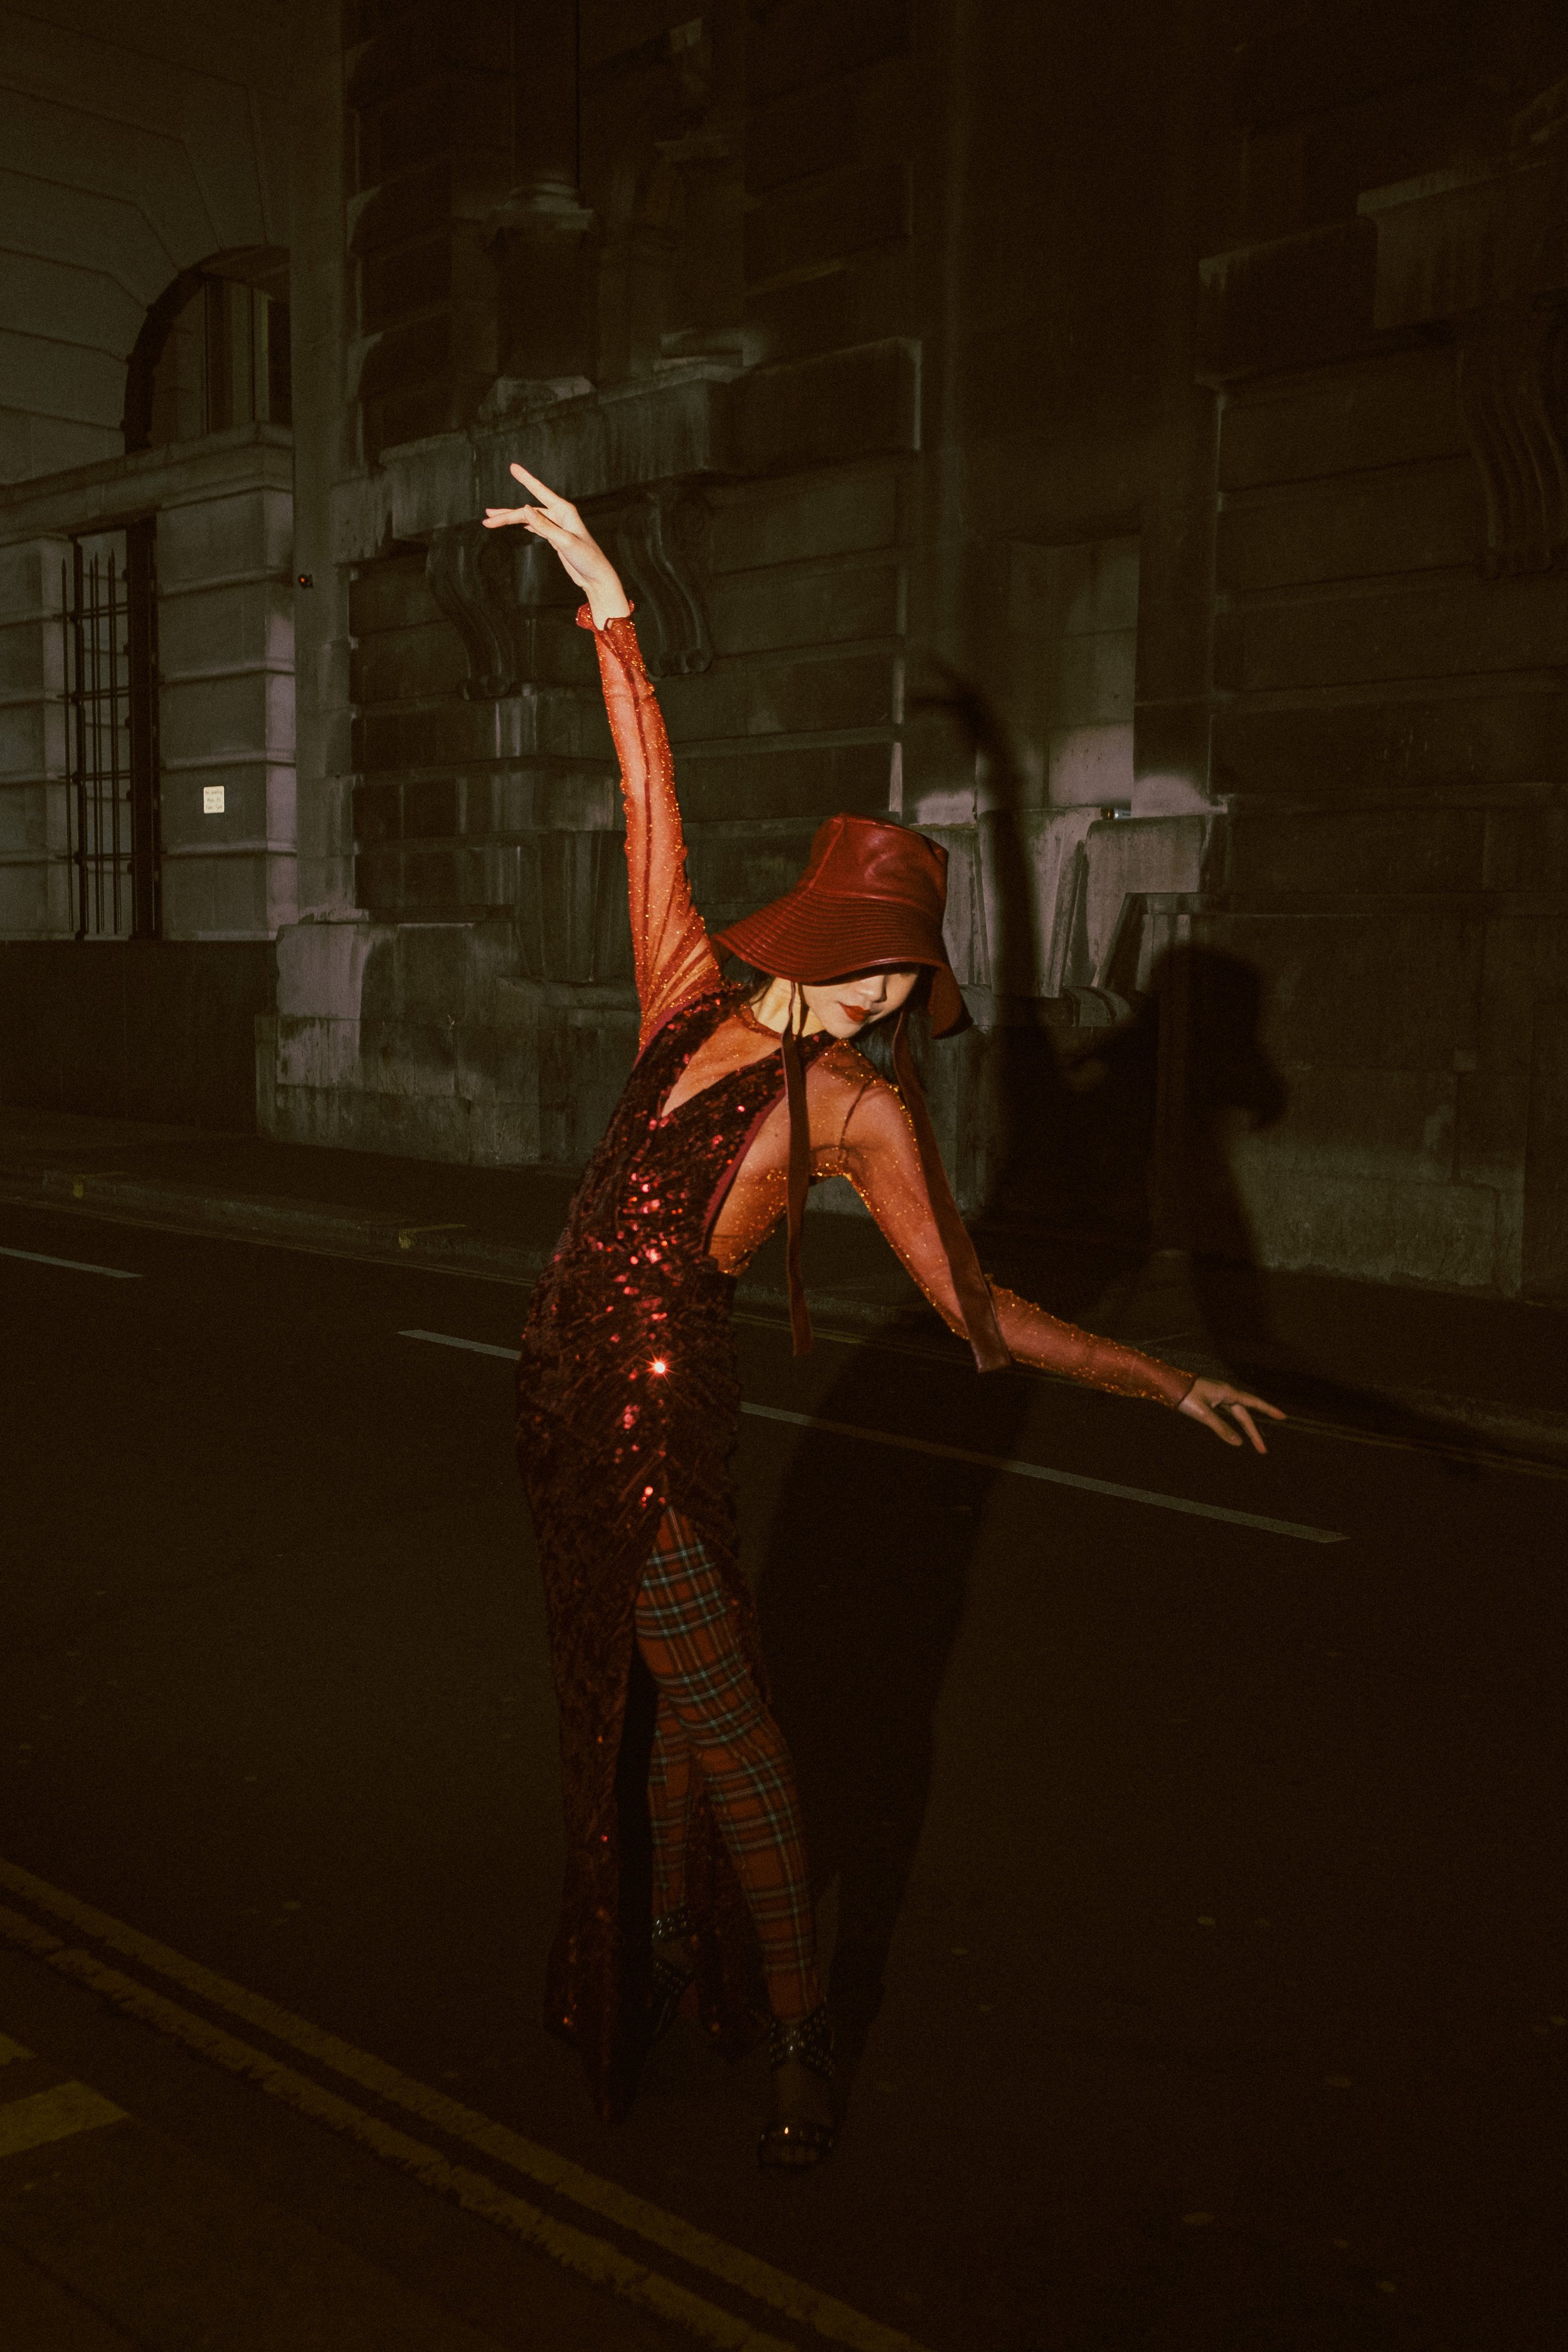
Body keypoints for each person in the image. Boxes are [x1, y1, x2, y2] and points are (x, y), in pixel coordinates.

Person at [482, 465, 1282, 2168]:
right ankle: (683, 1939)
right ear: (809, 931)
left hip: (655, 1408)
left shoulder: (859, 1108)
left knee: (731, 1730)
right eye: (866, 952)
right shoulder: (682, 991)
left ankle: (794, 2025)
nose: (880, 987)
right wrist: (608, 602)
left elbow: (976, 1304)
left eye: (901, 968)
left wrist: (1160, 1380)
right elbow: (647, 801)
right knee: (648, 1703)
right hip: (554, 1394)